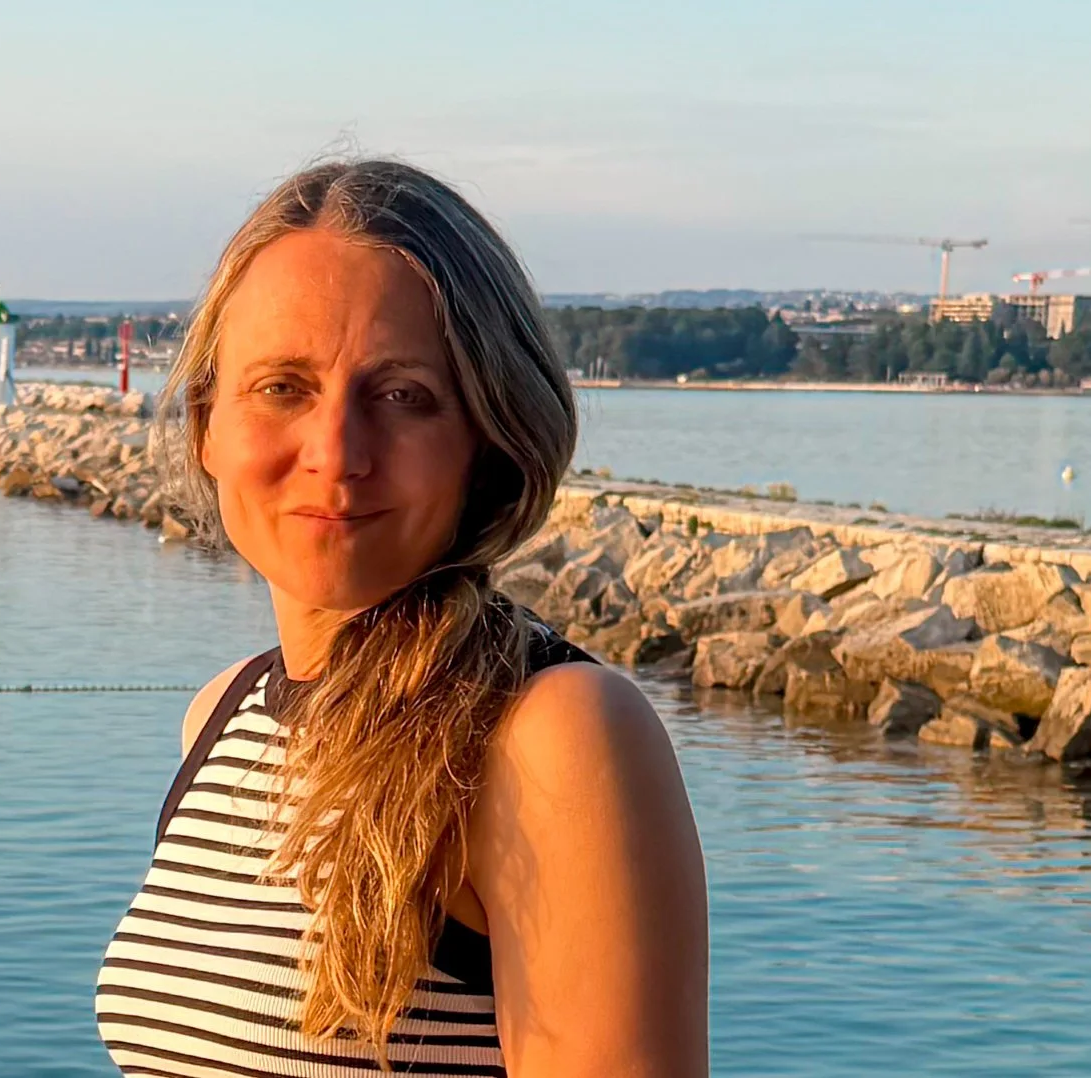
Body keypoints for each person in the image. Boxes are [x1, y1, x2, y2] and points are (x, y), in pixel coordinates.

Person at [95, 159, 707, 1076]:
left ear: (491, 439)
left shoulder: (551, 737)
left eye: (402, 396)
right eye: (282, 387)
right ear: (204, 427)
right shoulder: (223, 716)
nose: (337, 455)